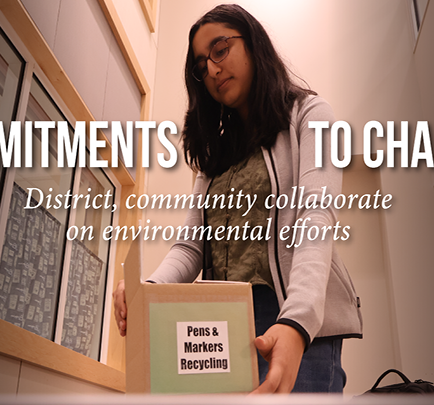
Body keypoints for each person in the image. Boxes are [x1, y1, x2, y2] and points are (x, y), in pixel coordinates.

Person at [113, 3, 362, 394]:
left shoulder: (311, 114)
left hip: (293, 315)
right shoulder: (216, 155)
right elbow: (190, 247)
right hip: (224, 322)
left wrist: (296, 323)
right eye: (200, 65)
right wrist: (148, 289)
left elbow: (316, 218)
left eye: (220, 49)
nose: (211, 69)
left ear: (254, 43)